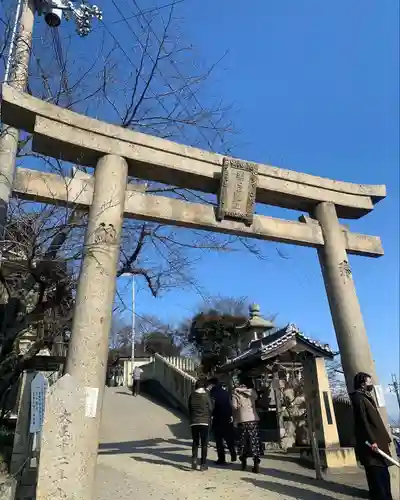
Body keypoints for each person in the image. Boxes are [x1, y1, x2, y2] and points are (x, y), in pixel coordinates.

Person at [351, 372, 393, 500]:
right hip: (372, 447)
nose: (371, 384)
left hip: (379, 443)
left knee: (384, 477)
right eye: (369, 382)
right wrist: (372, 441)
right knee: (377, 478)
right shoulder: (359, 398)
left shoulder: (366, 397)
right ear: (362, 384)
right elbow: (363, 422)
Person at [232, 375, 262, 473]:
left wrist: (238, 392)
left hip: (242, 420)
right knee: (254, 441)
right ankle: (256, 462)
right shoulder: (252, 392)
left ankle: (243, 460)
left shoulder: (235, 393)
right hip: (253, 420)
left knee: (243, 442)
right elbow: (256, 396)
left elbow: (234, 406)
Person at [209, 378, 237, 465]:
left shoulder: (212, 394)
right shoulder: (226, 393)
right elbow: (230, 405)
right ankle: (233, 454)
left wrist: (211, 415)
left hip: (217, 419)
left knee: (219, 440)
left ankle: (221, 459)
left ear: (212, 385)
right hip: (227, 418)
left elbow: (212, 406)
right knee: (229, 438)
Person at [188, 380, 213, 471]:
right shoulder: (206, 396)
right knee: (204, 444)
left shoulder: (192, 395)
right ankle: (203, 464)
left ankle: (194, 460)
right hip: (205, 422)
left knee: (195, 442)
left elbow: (189, 408)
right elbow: (210, 408)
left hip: (194, 421)